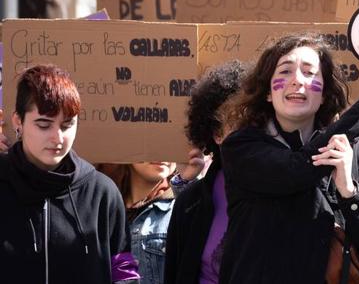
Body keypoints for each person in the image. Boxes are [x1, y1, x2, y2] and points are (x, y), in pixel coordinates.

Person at [219, 33, 359, 283]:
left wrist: (348, 190)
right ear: (268, 93)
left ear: (324, 93)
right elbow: (296, 170)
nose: (297, 81)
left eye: (309, 72)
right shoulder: (241, 147)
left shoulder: (352, 153)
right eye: (285, 71)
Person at [0, 64, 140, 283]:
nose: (57, 138)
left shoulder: (102, 192)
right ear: (18, 121)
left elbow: (123, 270)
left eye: (67, 125)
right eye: (43, 125)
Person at [165, 60, 251, 284]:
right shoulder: (190, 203)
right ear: (217, 135)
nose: (248, 134)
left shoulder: (286, 191)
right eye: (235, 123)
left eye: (254, 122)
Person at [97, 162, 180, 284]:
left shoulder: (184, 205)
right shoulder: (99, 203)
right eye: (149, 143)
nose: (160, 152)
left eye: (168, 144)